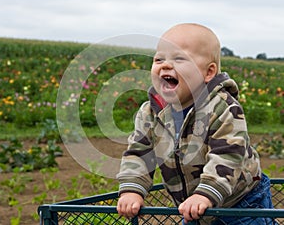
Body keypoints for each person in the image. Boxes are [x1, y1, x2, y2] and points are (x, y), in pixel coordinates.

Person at [116, 23, 275, 224]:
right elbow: (139, 153)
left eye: (179, 59)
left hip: (241, 203)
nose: (165, 65)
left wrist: (205, 193)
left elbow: (227, 154)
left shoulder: (222, 107)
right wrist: (132, 189)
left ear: (208, 73)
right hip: (192, 206)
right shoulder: (150, 113)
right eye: (159, 59)